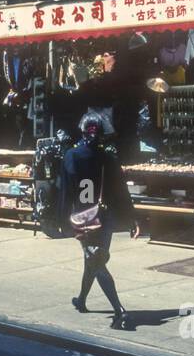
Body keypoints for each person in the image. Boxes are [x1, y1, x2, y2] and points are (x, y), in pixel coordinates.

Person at [59, 110, 140, 331]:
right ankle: (82, 299)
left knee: (95, 260)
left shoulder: (71, 156)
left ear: (83, 131)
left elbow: (65, 191)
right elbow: (121, 191)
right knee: (95, 258)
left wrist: (62, 218)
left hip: (84, 216)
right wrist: (132, 218)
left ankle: (119, 310)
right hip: (105, 216)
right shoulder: (108, 158)